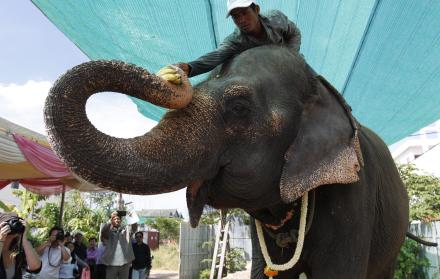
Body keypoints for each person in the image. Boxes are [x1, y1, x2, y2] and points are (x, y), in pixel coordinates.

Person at [157, 0, 302, 83]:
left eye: (245, 13)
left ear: (256, 9)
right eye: (235, 16)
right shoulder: (236, 41)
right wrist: (189, 67)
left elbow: (294, 33)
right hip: (263, 74)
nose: (241, 20)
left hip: (288, 62)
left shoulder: (275, 19)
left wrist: (291, 55)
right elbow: (216, 56)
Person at [0, 213, 41, 279]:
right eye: (7, 224)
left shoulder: (17, 249)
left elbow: (35, 267)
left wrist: (23, 237)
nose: (12, 226)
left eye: (15, 223)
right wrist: (1, 240)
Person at [100, 211, 136, 279]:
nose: (116, 220)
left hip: (124, 264)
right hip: (111, 264)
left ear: (120, 221)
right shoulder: (108, 231)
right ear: (111, 221)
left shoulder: (125, 230)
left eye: (118, 219)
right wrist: (109, 221)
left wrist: (132, 218)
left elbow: (134, 228)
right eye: (114, 219)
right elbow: (103, 232)